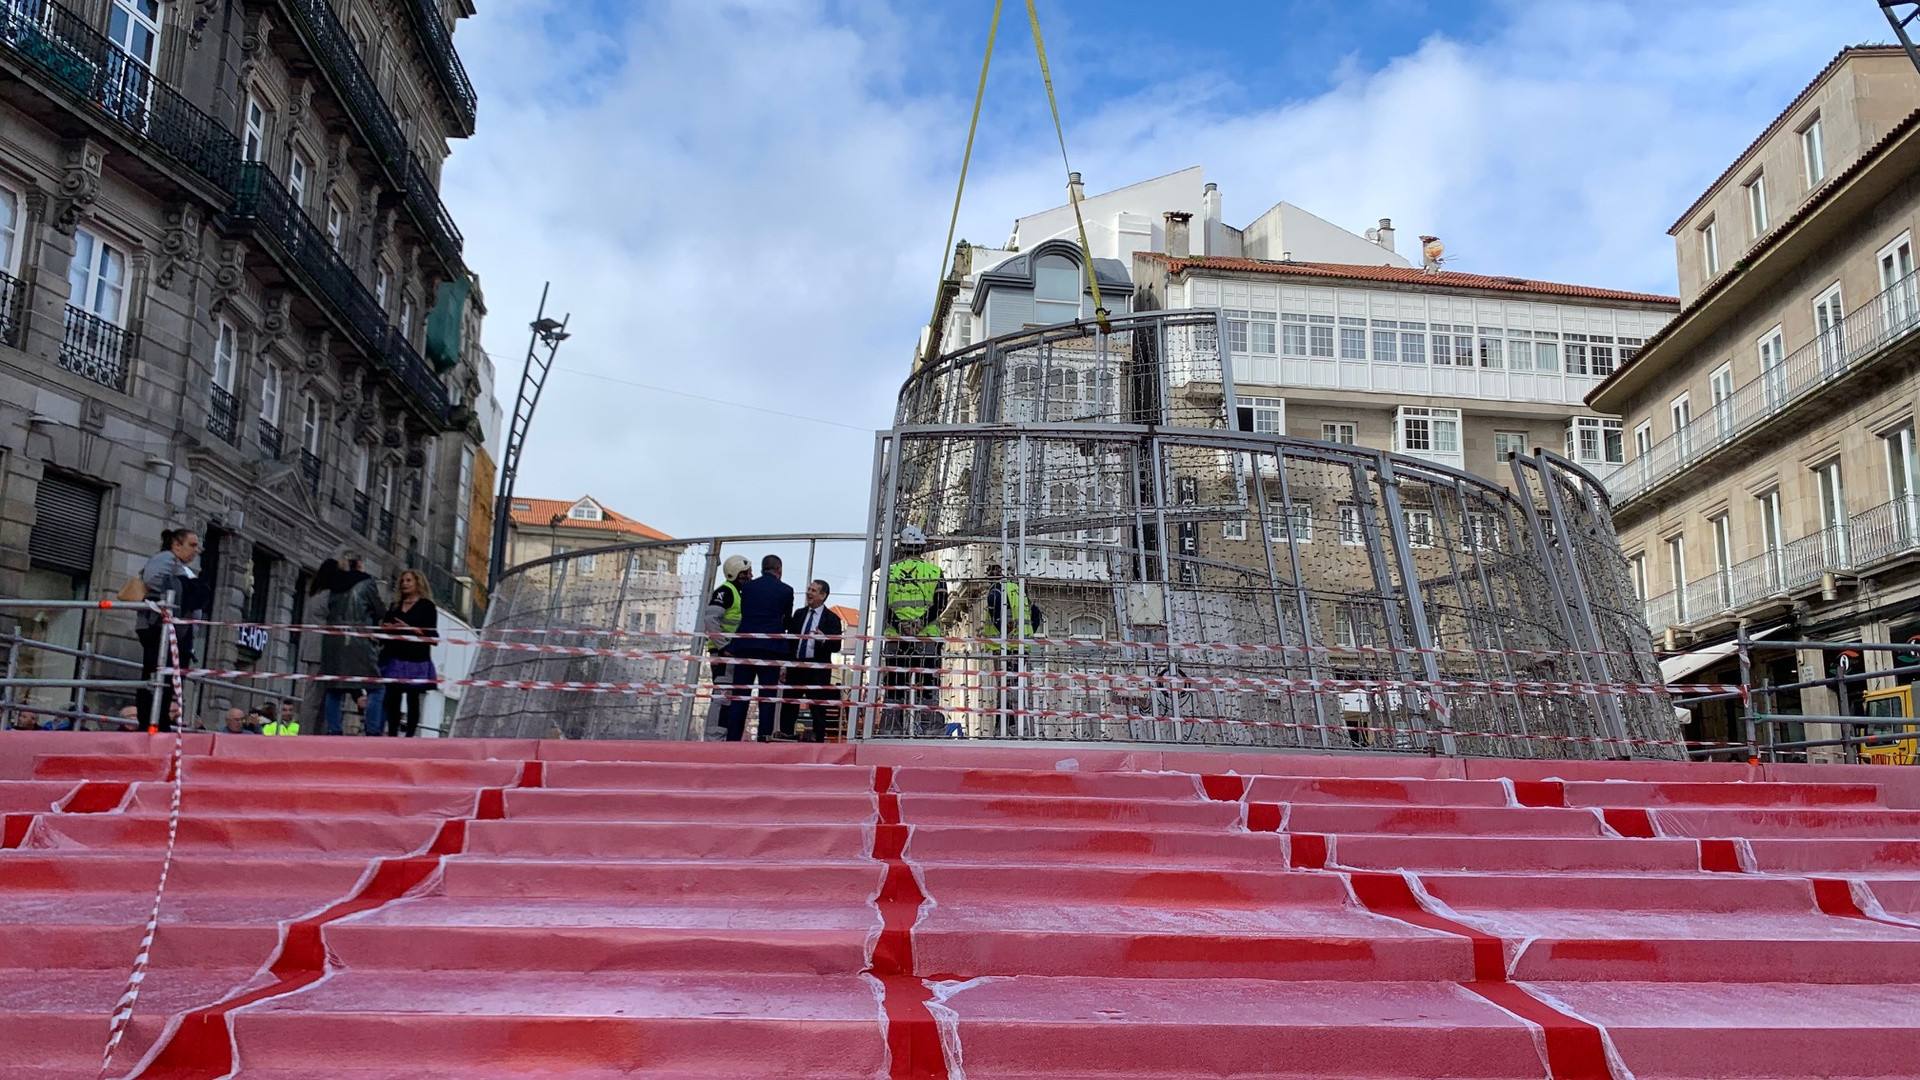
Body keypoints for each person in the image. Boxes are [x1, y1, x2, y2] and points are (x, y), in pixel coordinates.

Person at [720, 554, 794, 742]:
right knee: (767, 698)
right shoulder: (786, 590)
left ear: (762, 569)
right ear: (780, 570)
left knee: (740, 696)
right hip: (772, 647)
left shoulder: (748, 588)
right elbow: (786, 619)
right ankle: (764, 738)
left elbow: (745, 614)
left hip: (745, 646)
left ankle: (733, 738)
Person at [881, 526, 946, 735]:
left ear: (901, 547)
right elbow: (941, 601)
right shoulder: (934, 571)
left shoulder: (888, 571)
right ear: (923, 547)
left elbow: (881, 603)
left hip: (896, 637)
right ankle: (930, 729)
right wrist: (920, 623)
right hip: (927, 637)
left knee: (894, 685)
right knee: (928, 684)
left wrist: (901, 625)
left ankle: (892, 729)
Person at [134, 529, 201, 732]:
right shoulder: (166, 559)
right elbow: (153, 579)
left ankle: (160, 718)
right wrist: (187, 590)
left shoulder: (179, 564)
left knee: (170, 678)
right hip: (159, 628)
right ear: (176, 544)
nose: (196, 550)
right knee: (157, 672)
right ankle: (151, 721)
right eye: (192, 544)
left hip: (176, 631)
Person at [321, 557, 386, 735]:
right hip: (359, 640)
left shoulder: (332, 585)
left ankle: (334, 731)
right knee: (376, 686)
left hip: (334, 642)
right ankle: (372, 731)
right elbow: (380, 609)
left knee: (334, 687)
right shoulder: (366, 582)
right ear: (358, 564)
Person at [981, 561, 1042, 738]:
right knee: (1019, 690)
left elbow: (996, 607)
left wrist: (1004, 629)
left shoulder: (997, 590)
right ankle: (1022, 729)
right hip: (1022, 648)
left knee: (1005, 691)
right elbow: (1035, 614)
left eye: (992, 569)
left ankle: (1006, 730)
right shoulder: (1019, 590)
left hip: (1004, 649)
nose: (989, 573)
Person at [779, 579, 843, 742]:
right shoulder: (799, 614)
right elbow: (791, 641)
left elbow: (836, 645)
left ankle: (818, 737)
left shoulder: (832, 619)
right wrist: (785, 665)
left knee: (818, 706)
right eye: (809, 589)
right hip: (796, 666)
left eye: (814, 591)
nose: (809, 593)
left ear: (823, 595)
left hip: (818, 669)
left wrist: (824, 639)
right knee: (789, 703)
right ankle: (786, 734)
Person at [378, 569, 439, 737]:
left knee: (413, 699)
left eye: (409, 580)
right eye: (403, 581)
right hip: (395, 657)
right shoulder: (395, 606)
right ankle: (392, 735)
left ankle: (410, 736)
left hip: (416, 659)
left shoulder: (427, 607)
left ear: (418, 583)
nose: (405, 584)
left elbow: (432, 637)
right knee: (393, 699)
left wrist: (408, 628)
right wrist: (388, 629)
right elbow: (385, 628)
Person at [701, 556, 753, 738]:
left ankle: (723, 736)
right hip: (724, 654)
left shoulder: (738, 592)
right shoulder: (725, 592)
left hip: (731, 652)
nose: (751, 575)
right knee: (722, 697)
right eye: (748, 573)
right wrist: (722, 646)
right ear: (739, 574)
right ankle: (714, 737)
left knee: (729, 697)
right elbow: (710, 619)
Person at [297, 560, 339, 735]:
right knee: (314, 699)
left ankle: (311, 733)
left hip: (313, 647)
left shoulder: (314, 592)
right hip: (321, 650)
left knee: (316, 698)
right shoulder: (327, 595)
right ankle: (308, 735)